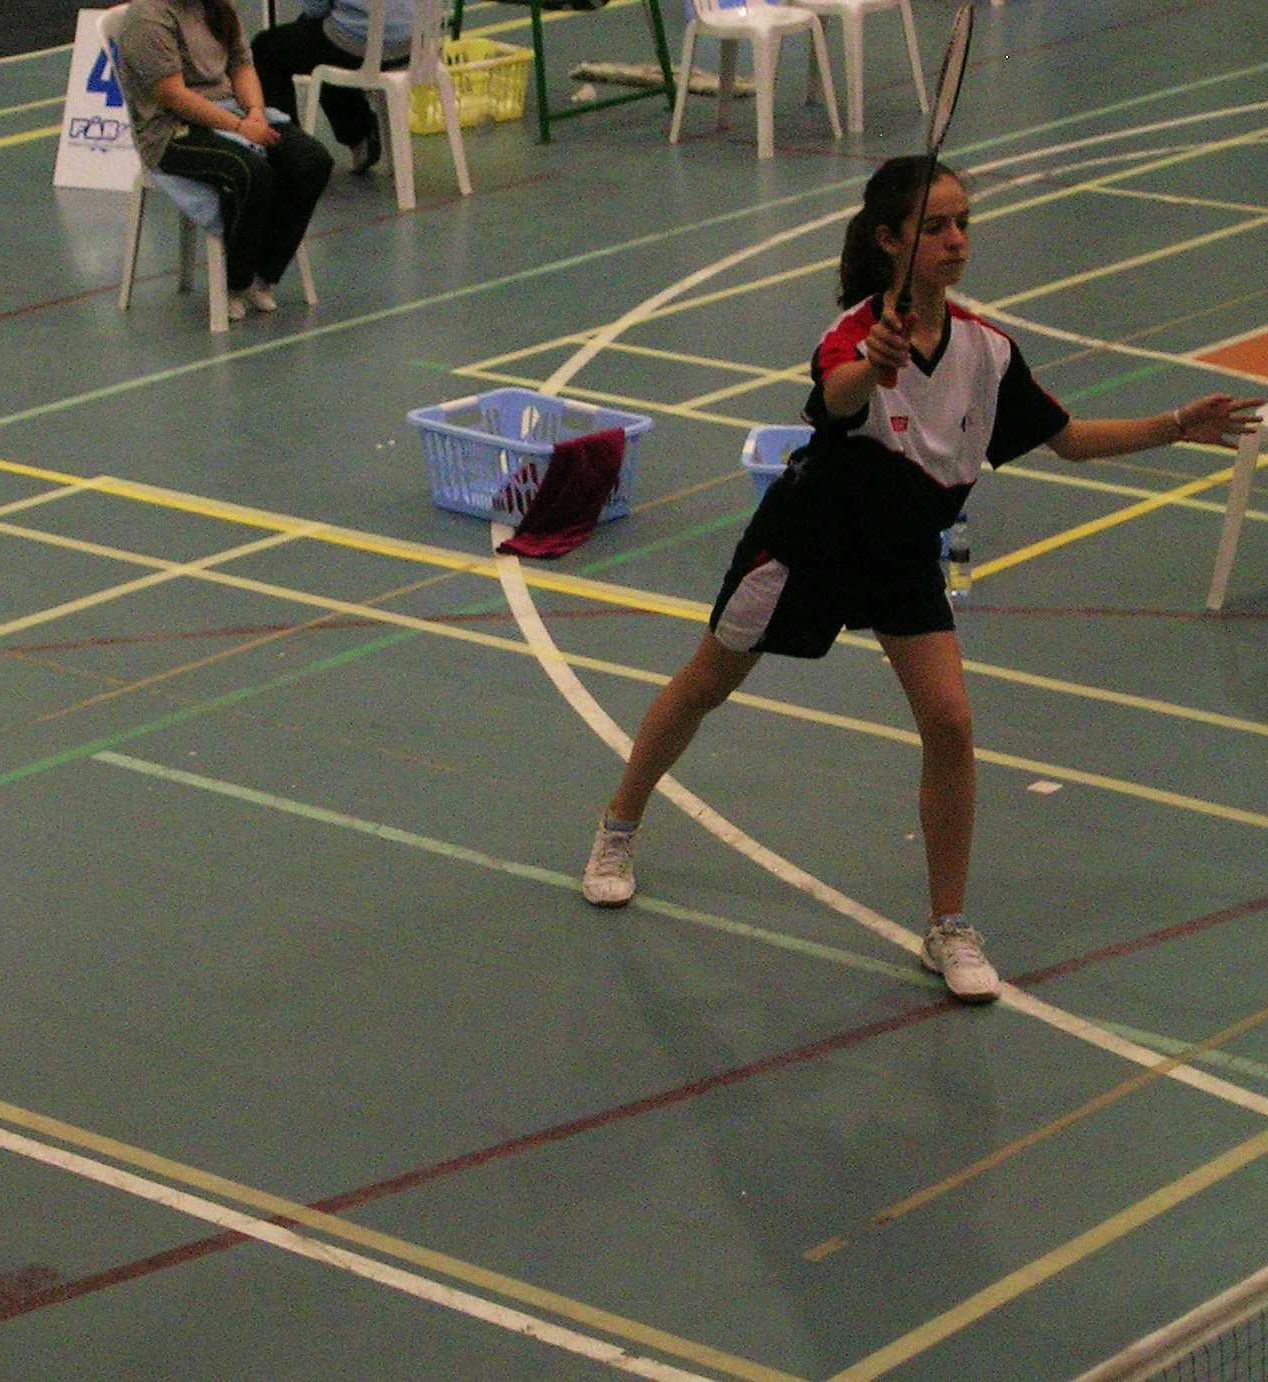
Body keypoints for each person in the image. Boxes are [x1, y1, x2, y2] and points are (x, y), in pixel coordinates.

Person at [579, 156, 1262, 1003]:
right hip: (811, 541)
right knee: (704, 685)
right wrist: (877, 364)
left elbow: (1069, 439)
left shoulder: (986, 349)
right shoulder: (858, 334)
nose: (955, 240)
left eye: (963, 222)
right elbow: (835, 397)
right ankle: (618, 826)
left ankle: (948, 926)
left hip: (904, 549)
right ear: (889, 239)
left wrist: (1175, 426)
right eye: (935, 226)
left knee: (951, 722)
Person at [118, 0, 334, 321]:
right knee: (250, 172)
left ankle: (264, 272)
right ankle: (235, 281)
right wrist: (239, 127)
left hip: (233, 111)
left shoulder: (218, 6)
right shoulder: (146, 18)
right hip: (171, 130)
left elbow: (242, 65)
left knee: (311, 161)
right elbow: (173, 95)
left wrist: (256, 113)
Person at [249, 0, 413, 172]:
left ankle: (289, 151)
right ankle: (358, 132)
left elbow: (315, 9)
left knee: (266, 48)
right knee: (318, 37)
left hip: (358, 43)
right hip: (411, 42)